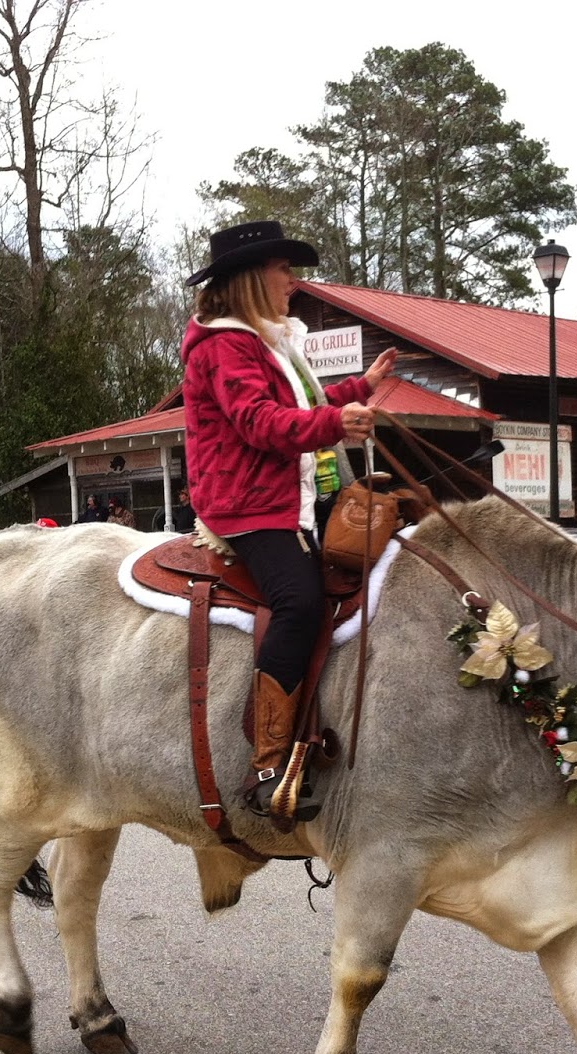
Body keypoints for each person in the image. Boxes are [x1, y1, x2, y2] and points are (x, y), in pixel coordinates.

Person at [181, 218, 394, 819]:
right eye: (284, 270)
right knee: (299, 600)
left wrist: (360, 387)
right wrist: (335, 424)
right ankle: (266, 764)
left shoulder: (265, 342)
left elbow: (303, 404)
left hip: (285, 496)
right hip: (245, 503)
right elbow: (259, 422)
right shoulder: (224, 345)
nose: (293, 283)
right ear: (254, 279)